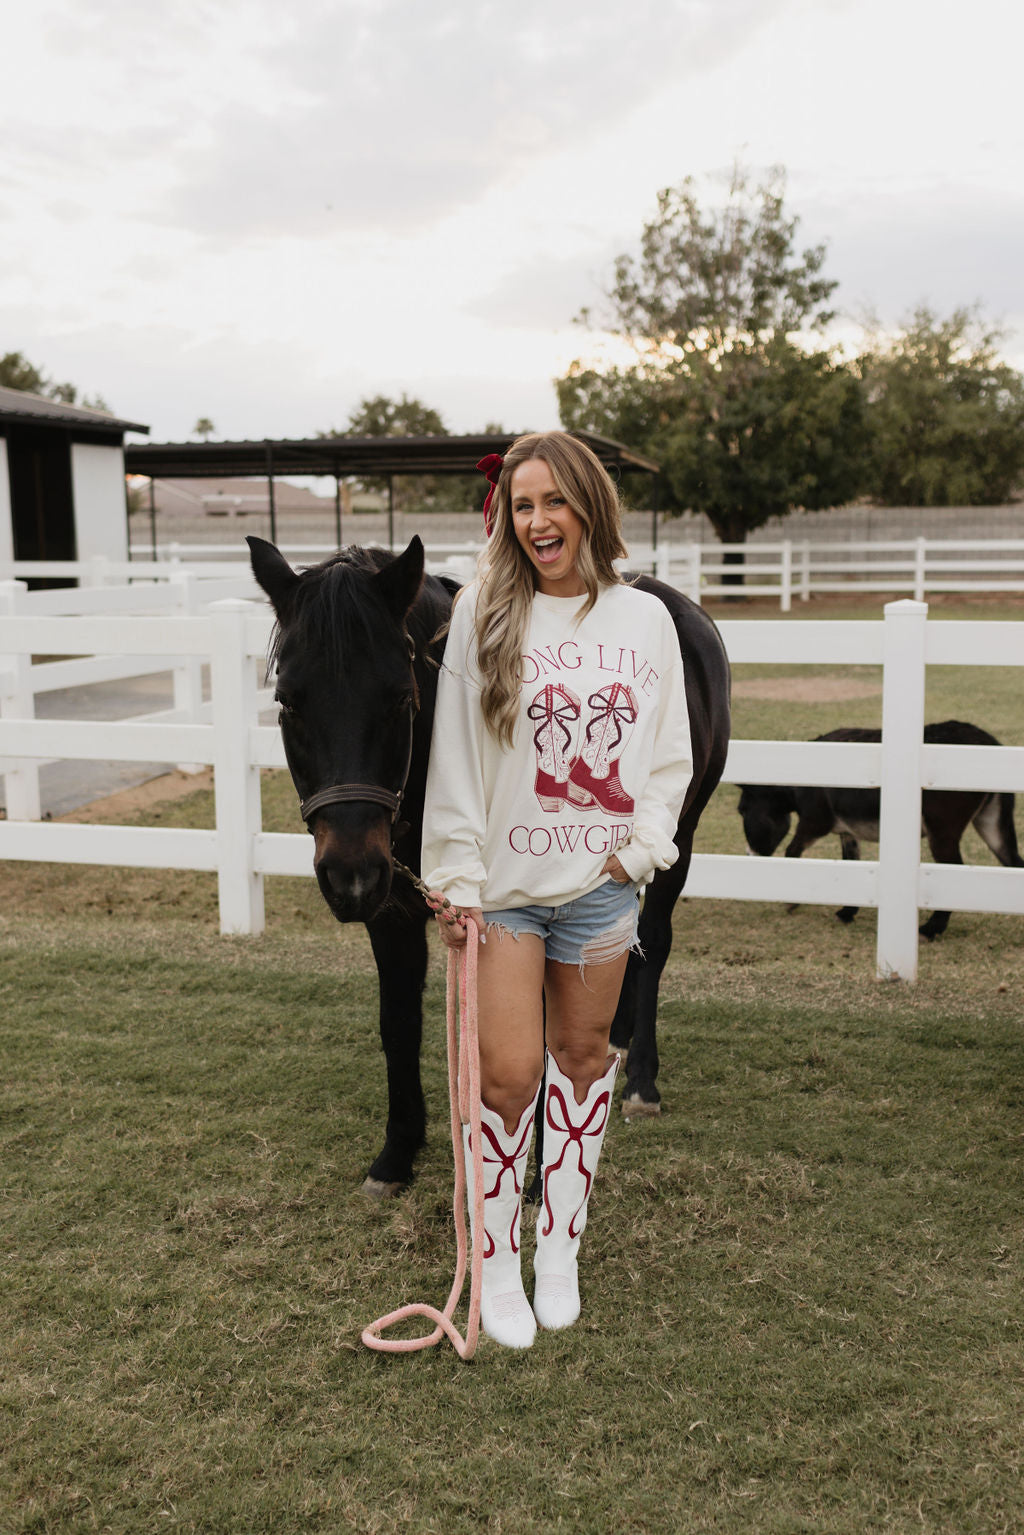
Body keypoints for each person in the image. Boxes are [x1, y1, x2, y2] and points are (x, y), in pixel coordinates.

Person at [422, 431, 693, 1349]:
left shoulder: (643, 620)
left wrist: (640, 850)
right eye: (522, 505)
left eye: (552, 501)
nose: (536, 521)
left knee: (582, 1068)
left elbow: (668, 755)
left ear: (589, 505)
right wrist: (456, 878)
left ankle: (557, 1252)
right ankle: (496, 1266)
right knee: (503, 1078)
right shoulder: (483, 614)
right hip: (501, 894)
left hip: (602, 895)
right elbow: (453, 759)